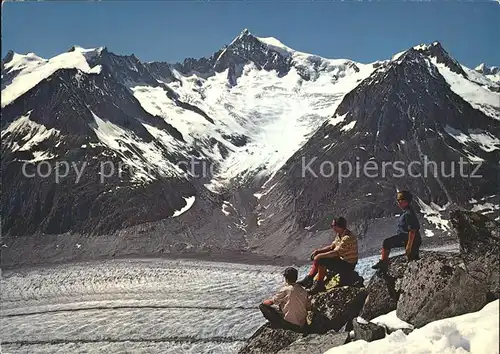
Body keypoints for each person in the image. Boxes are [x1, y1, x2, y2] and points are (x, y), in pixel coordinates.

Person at [297, 217, 358, 295]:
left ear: (338, 226)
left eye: (333, 225)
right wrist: (318, 251)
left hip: (348, 265)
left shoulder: (347, 238)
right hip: (343, 260)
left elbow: (335, 253)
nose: (332, 227)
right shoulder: (340, 234)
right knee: (320, 257)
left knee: (321, 260)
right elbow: (332, 247)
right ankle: (309, 279)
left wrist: (319, 256)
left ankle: (319, 285)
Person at [372, 190, 422, 272]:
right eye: (398, 201)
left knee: (412, 259)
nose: (399, 203)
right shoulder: (406, 212)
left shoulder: (408, 213)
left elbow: (412, 230)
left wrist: (409, 246)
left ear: (406, 201)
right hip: (406, 238)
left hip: (410, 239)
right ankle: (384, 262)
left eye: (401, 201)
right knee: (387, 242)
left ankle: (384, 262)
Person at [259, 267, 310, 332]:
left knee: (262, 306)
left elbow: (271, 302)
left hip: (290, 324)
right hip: (302, 324)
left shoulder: (285, 290)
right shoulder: (303, 291)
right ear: (296, 277)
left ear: (286, 278)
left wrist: (263, 302)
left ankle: (276, 326)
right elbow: (308, 307)